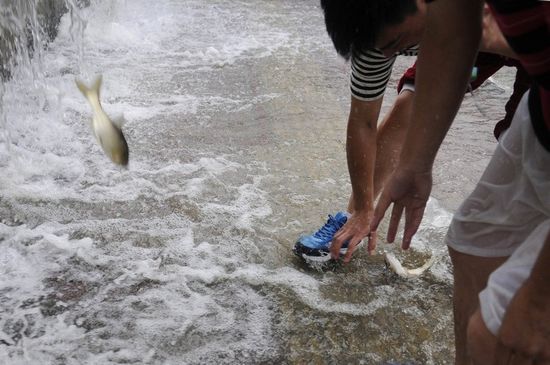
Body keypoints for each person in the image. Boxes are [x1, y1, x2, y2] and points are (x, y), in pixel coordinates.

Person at [364, 0, 550, 364]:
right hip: (540, 104)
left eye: (399, 44)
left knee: (497, 331)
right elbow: (451, 32)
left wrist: (539, 302)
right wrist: (412, 167)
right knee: (472, 242)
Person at [293, 0, 529, 264]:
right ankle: (355, 223)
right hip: (459, 32)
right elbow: (364, 123)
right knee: (410, 106)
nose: (386, 54)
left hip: (523, 27)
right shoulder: (373, 39)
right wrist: (364, 206)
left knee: (523, 145)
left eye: (396, 43)